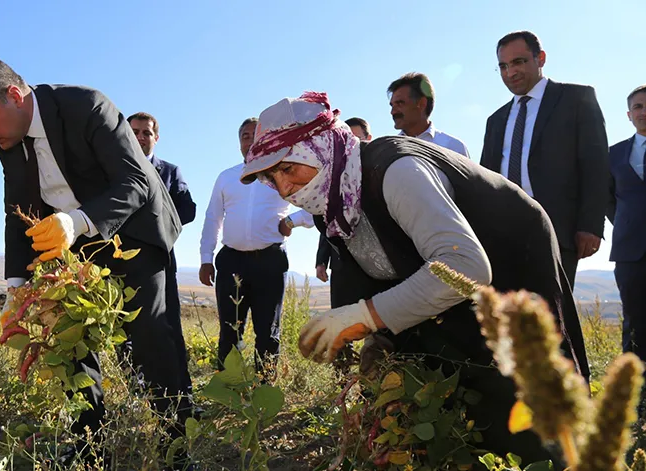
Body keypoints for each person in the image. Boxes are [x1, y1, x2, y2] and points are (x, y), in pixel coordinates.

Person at [240, 91, 589, 468]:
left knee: (522, 389)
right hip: (452, 276)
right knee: (445, 384)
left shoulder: (397, 170)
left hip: (512, 254)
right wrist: (378, 338)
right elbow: (388, 271)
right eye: (271, 178)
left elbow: (465, 267)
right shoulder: (335, 204)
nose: (284, 189)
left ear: (319, 149)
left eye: (288, 168)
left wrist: (364, 317)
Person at [0, 53, 193, 468]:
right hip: (72, 241)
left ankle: (178, 449)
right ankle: (88, 446)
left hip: (134, 232)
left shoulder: (85, 106)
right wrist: (16, 289)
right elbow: (18, 210)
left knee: (151, 338)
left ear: (14, 96)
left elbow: (135, 182)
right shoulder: (3, 138)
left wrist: (75, 221)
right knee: (69, 337)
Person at [480, 31, 609, 286]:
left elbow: (596, 166)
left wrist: (590, 225)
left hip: (559, 231)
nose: (510, 72)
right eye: (503, 66)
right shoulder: (495, 120)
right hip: (504, 234)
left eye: (518, 62)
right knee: (509, 309)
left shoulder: (577, 99)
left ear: (540, 58)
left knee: (553, 309)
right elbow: (486, 178)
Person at [199, 117, 313, 377]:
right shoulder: (226, 177)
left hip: (270, 262)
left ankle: (264, 387)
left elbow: (313, 203)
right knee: (230, 330)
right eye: (245, 136)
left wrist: (292, 221)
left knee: (268, 330)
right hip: (231, 262)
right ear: (239, 142)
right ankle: (228, 386)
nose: (250, 141)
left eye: (255, 135)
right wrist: (206, 258)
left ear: (266, 138)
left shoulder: (284, 172)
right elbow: (213, 217)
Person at [126, 112, 196, 398]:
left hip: (159, 262)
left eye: (146, 133)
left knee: (168, 328)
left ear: (156, 138)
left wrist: (153, 225)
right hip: (119, 262)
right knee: (125, 333)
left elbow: (187, 210)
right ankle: (136, 394)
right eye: (135, 132)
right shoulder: (113, 168)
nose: (140, 137)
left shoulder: (170, 172)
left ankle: (182, 396)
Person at [607, 84, 646, 361]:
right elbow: (606, 198)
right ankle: (635, 382)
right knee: (634, 322)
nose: (643, 112)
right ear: (629, 115)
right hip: (629, 252)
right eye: (638, 107)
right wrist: (627, 223)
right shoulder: (613, 154)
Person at [316, 117, 372, 308]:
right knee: (341, 318)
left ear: (368, 138)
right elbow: (327, 221)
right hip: (342, 266)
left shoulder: (381, 172)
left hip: (375, 267)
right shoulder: (334, 177)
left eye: (357, 139)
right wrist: (321, 260)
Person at [388, 72, 470, 157]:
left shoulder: (454, 148)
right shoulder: (389, 150)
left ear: (422, 103)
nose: (393, 112)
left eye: (400, 103)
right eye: (392, 105)